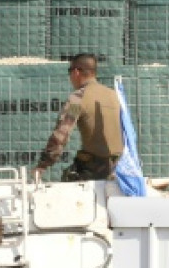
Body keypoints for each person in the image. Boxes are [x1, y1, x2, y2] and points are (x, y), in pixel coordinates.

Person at [34, 54, 125, 183]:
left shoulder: (78, 98)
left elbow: (61, 135)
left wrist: (42, 164)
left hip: (94, 169)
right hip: (120, 168)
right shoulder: (114, 96)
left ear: (76, 72)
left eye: (69, 71)